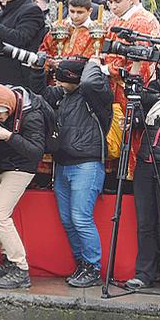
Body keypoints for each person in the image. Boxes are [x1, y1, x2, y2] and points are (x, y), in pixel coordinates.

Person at [29, 58, 112, 288]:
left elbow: (88, 83)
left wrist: (93, 62)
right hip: (62, 164)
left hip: (87, 164)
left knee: (81, 219)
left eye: (63, 78)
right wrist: (38, 69)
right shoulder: (62, 95)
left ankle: (93, 267)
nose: (58, 81)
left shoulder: (95, 95)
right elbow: (39, 94)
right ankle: (82, 263)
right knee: (68, 220)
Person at [0, 84, 47, 289]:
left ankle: (21, 269)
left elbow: (37, 152)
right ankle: (8, 259)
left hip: (21, 168)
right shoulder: (0, 106)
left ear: (8, 107)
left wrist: (9, 136)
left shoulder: (32, 115)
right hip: (1, 166)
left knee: (0, 215)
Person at [126, 49, 160, 295]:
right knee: (145, 222)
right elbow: (133, 105)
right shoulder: (153, 90)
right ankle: (144, 273)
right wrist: (136, 67)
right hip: (146, 161)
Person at [39, 0, 104, 60]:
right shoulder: (58, 26)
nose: (75, 16)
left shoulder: (95, 31)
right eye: (72, 11)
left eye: (80, 12)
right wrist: (50, 62)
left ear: (90, 11)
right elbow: (44, 50)